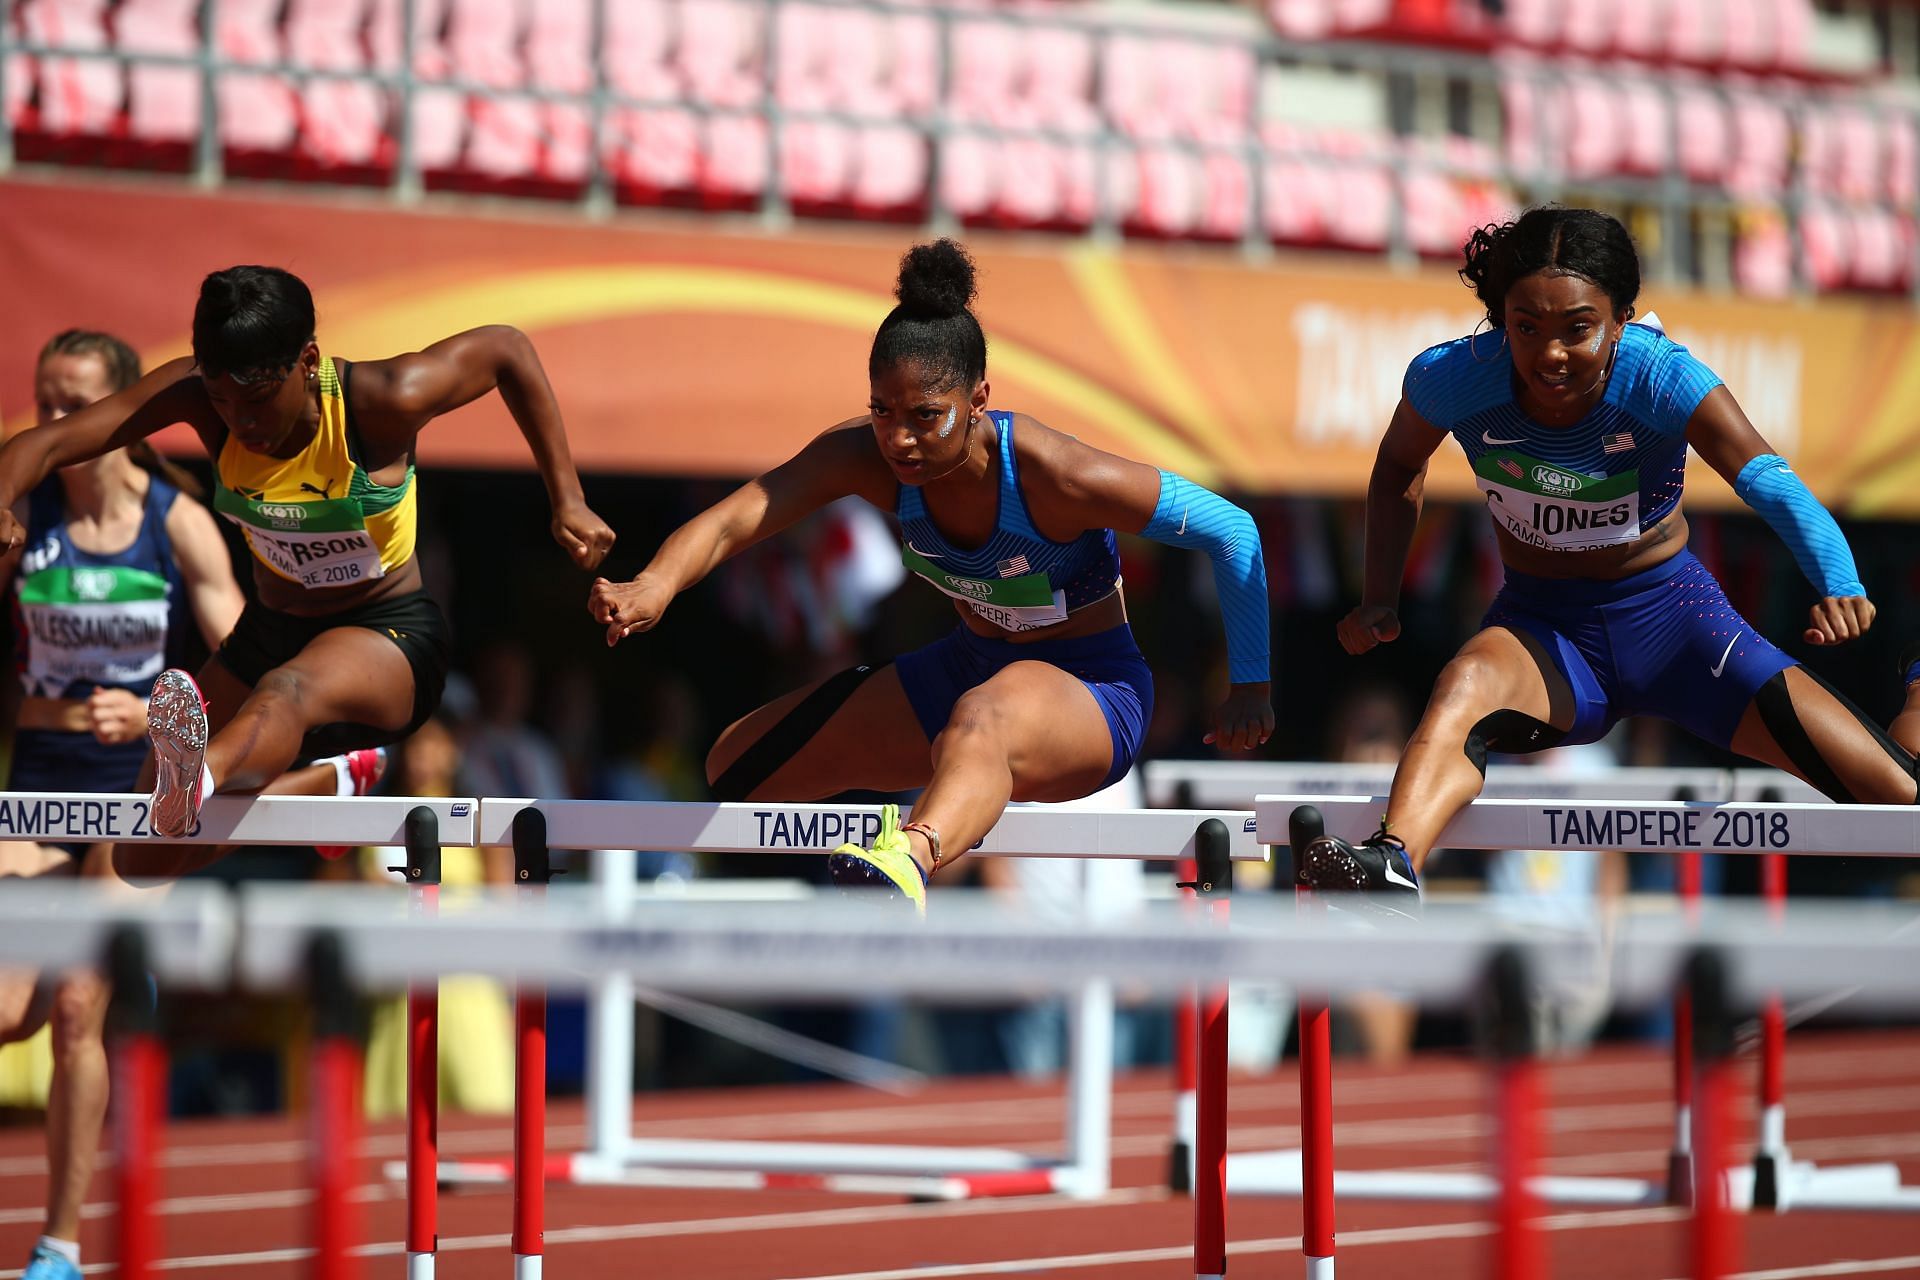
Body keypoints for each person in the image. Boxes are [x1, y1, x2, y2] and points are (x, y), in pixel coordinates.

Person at [590, 239, 1272, 912]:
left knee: (982, 717)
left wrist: (1250, 682)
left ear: (979, 398)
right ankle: (960, 779)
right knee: (738, 767)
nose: (899, 440)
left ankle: (909, 856)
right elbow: (738, 519)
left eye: (924, 416)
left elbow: (1233, 532)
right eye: (883, 412)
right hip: (964, 669)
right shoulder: (864, 457)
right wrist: (655, 581)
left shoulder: (1055, 476)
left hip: (1092, 691)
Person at [1312, 207, 1917, 917]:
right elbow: (1396, 467)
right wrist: (1378, 593)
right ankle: (1392, 864)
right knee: (1465, 682)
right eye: (1526, 327)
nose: (1551, 355)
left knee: (1900, 798)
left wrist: (1838, 579)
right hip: (1545, 632)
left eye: (1578, 328)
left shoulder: (1660, 377)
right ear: (1501, 318)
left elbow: (1765, 477)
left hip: (1679, 629)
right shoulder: (1453, 377)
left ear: (1623, 319)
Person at [0, 267, 615, 879]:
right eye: (222, 401)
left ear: (308, 360)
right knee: (142, 857)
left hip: (387, 636)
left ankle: (199, 773)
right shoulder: (200, 392)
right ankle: (326, 780)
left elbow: (508, 347)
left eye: (259, 400)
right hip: (271, 629)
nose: (242, 422)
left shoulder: (383, 399)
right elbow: (45, 445)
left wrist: (568, 497)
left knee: (284, 690)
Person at [0, 329, 374, 1280]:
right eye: (43, 400)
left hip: (138, 788)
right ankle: (316, 791)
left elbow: (247, 663)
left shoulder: (176, 523)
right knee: (10, 1015)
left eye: (71, 402)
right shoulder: (24, 515)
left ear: (118, 413)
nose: (53, 422)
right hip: (41, 788)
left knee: (81, 1007)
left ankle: (59, 1244)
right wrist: (46, 705)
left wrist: (150, 713)